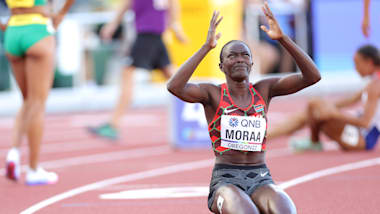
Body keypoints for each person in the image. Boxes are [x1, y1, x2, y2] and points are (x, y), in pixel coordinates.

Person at [167, 2, 321, 213]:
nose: (239, 59)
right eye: (232, 56)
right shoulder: (212, 93)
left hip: (261, 176)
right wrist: (206, 48)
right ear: (222, 66)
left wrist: (283, 39)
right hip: (226, 180)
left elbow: (313, 76)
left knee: (286, 210)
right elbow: (174, 86)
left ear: (252, 63)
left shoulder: (264, 89)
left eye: (245, 55)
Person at [88, 0, 187, 140]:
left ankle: (113, 125)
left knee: (127, 72)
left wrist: (176, 25)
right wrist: (175, 25)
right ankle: (208, 108)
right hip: (152, 34)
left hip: (147, 34)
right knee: (175, 80)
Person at [2, 0, 75, 185]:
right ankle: (33, 170)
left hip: (13, 31)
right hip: (37, 29)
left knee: (27, 101)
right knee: (37, 103)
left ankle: (14, 153)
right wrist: (61, 13)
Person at [268, 44, 380, 152]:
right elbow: (350, 100)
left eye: (357, 63)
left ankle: (267, 137)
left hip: (361, 141)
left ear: (369, 62)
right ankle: (268, 137)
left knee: (315, 106)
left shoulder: (375, 86)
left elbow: (365, 123)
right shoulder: (373, 82)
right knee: (315, 107)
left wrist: (334, 114)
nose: (355, 68)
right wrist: (326, 106)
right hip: (357, 134)